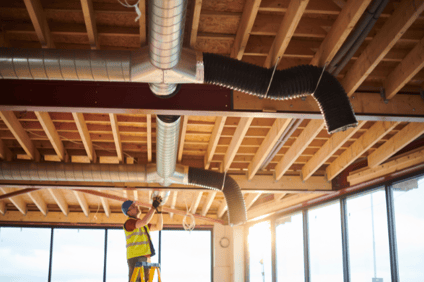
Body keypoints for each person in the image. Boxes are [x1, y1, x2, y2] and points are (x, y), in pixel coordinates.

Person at [121, 196, 163, 282]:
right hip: (135, 257)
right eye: (133, 207)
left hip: (145, 257)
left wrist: (159, 212)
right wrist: (153, 208)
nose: (136, 207)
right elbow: (144, 221)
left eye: (135, 205)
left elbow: (159, 227)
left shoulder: (142, 224)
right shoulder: (129, 223)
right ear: (128, 212)